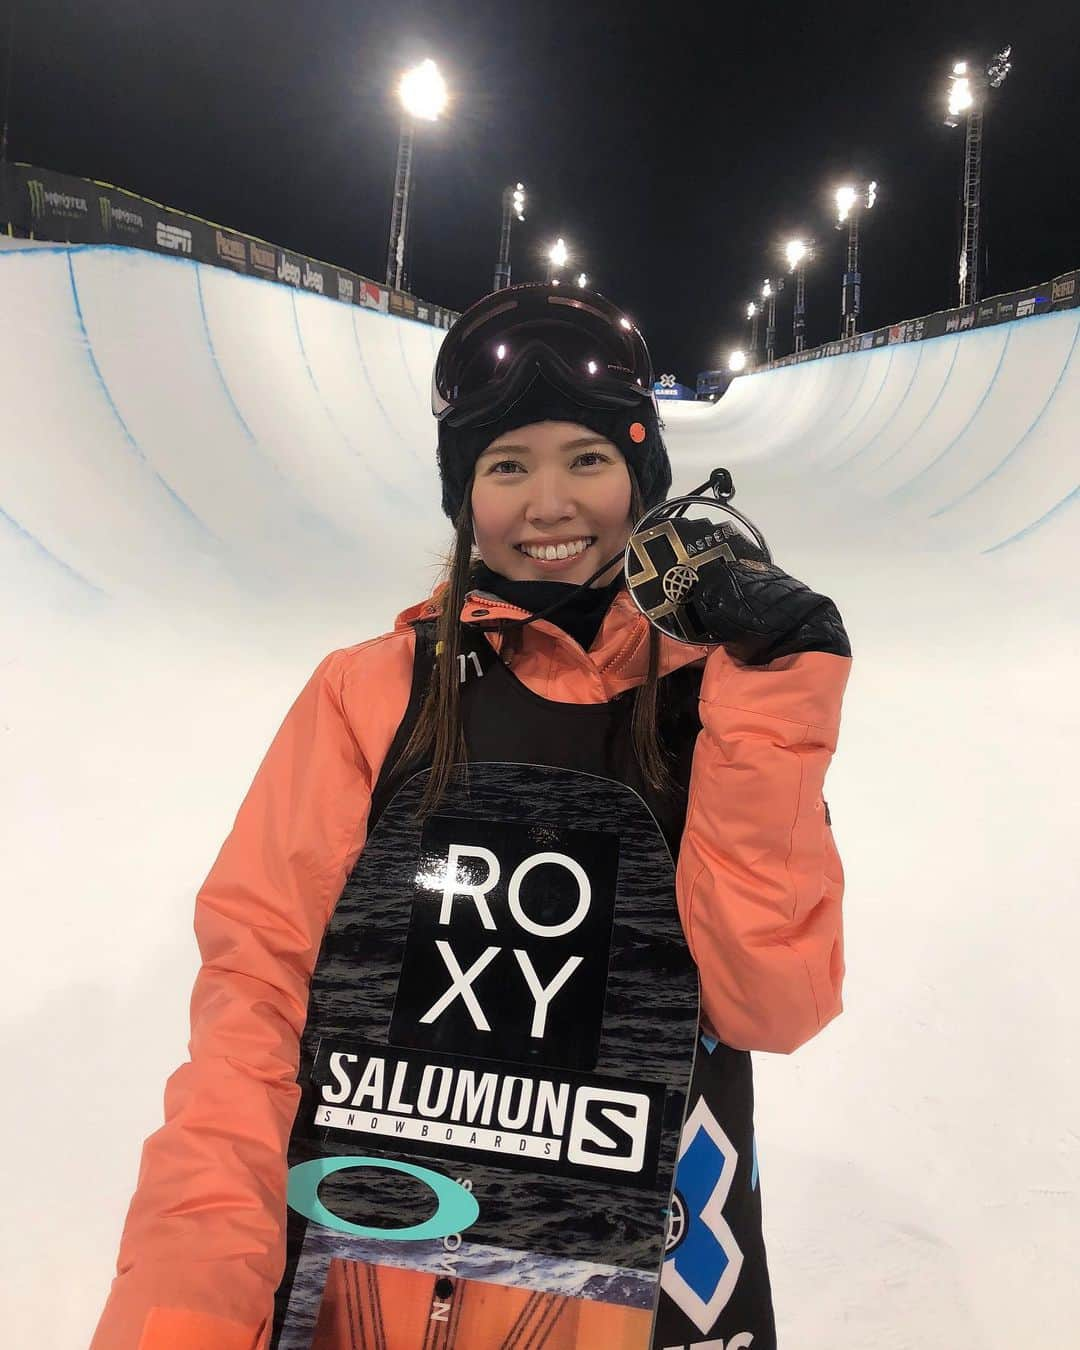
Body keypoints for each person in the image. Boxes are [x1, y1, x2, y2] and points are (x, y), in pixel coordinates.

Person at [91, 284, 852, 1350]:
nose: (549, 503)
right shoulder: (371, 696)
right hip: (379, 1296)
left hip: (646, 1292)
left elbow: (770, 1001)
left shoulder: (713, 705)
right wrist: (187, 1305)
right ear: (464, 493)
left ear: (644, 482)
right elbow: (256, 997)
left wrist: (776, 690)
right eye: (507, 466)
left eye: (588, 459)